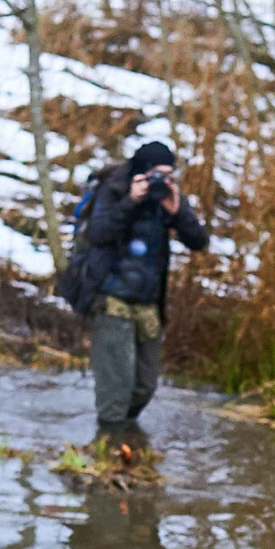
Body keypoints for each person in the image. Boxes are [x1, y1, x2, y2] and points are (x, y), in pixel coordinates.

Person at [62, 140, 206, 434]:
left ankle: (122, 439)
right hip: (111, 297)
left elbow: (199, 241)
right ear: (142, 171)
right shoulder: (114, 190)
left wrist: (178, 212)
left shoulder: (168, 196)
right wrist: (130, 201)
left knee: (144, 386)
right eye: (158, 174)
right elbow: (99, 234)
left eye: (169, 175)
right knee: (115, 389)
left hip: (148, 301)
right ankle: (109, 444)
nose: (162, 181)